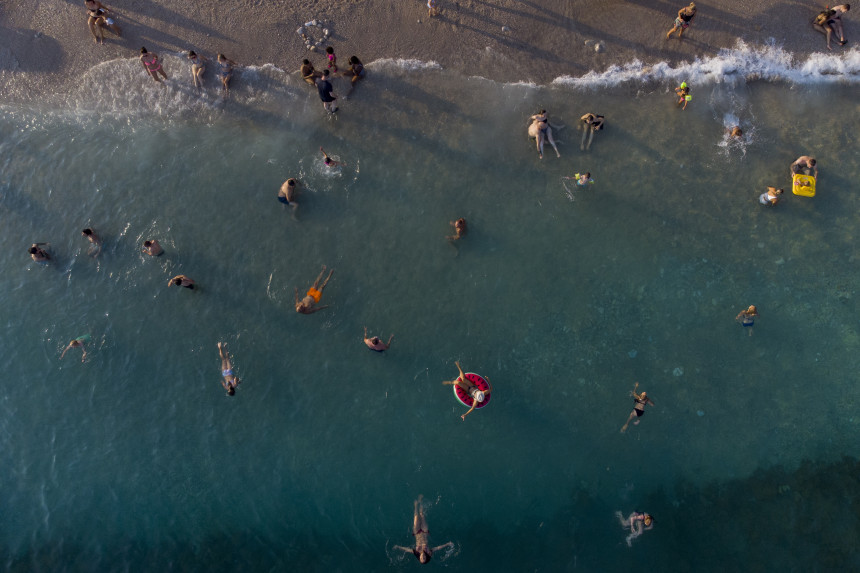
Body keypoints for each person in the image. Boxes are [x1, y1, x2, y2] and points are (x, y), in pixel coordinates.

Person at [392, 495, 453, 564]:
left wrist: (398, 547)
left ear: (419, 557)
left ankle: (415, 505)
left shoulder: (416, 552)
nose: (423, 557)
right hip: (424, 532)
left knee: (416, 517)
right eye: (424, 558)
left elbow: (406, 549)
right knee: (422, 515)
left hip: (416, 532)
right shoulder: (429, 552)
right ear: (426, 557)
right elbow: (438, 548)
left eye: (421, 558)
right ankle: (420, 501)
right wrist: (447, 544)